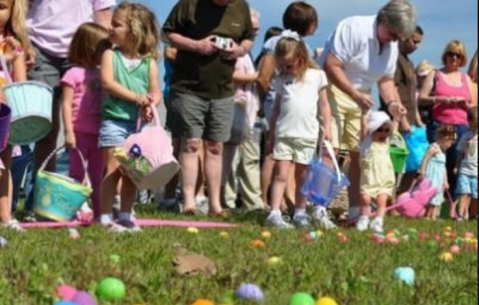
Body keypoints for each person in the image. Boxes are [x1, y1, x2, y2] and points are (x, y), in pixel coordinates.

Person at [319, 0, 416, 221]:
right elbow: (331, 65)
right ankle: (318, 208)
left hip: (361, 97)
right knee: (331, 150)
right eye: (393, 33)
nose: (395, 40)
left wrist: (392, 103)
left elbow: (386, 79)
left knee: (357, 153)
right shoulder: (354, 28)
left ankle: (355, 212)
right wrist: (354, 94)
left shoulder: (390, 45)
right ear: (383, 20)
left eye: (399, 37)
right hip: (333, 88)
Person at [25, 0, 115, 219]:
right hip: (39, 46)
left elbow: (103, 15)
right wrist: (23, 43)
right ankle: (39, 204)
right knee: (46, 128)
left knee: (87, 127)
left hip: (84, 50)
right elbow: (23, 7)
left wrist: (109, 54)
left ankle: (95, 205)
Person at [163, 0, 255, 217]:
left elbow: (248, 38)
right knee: (191, 143)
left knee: (215, 146)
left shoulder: (240, 6)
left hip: (223, 90)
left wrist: (239, 50)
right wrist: (197, 45)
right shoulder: (189, 4)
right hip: (188, 87)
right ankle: (188, 203)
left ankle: (215, 205)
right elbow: (168, 34)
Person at [99, 3, 161, 232]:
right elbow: (107, 83)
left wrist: (151, 103)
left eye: (117, 24)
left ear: (134, 30)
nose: (110, 27)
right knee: (114, 168)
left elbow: (156, 91)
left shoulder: (149, 62)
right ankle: (105, 216)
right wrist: (137, 98)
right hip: (114, 121)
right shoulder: (109, 55)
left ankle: (125, 215)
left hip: (137, 127)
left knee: (132, 172)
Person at [256, 1, 319, 213]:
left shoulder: (303, 46)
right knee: (273, 155)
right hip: (279, 101)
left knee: (292, 161)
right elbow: (264, 75)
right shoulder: (277, 42)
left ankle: (287, 201)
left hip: (295, 108)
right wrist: (263, 103)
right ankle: (264, 200)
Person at [265, 37, 332, 229]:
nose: (285, 70)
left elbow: (324, 105)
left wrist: (327, 127)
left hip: (308, 135)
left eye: (289, 65)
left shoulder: (316, 76)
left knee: (303, 176)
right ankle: (275, 212)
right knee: (281, 174)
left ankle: (300, 212)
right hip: (285, 134)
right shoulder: (281, 80)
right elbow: (276, 109)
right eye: (282, 66)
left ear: (301, 58)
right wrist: (271, 134)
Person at [61, 23, 111, 219]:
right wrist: (69, 132)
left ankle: (100, 212)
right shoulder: (73, 74)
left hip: (99, 133)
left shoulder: (104, 74)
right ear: (90, 48)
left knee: (98, 175)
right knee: (77, 173)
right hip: (80, 132)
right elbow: (66, 104)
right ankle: (75, 210)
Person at [419, 40, 477, 204]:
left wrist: (464, 105)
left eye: (458, 55)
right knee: (437, 164)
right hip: (441, 124)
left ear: (462, 58)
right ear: (445, 55)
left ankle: (453, 206)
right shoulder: (435, 74)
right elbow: (422, 98)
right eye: (451, 53)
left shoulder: (465, 78)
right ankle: (431, 203)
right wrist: (442, 99)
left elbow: (472, 104)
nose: (454, 57)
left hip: (462, 125)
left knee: (457, 166)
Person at [222, 9, 264, 211]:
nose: (255, 33)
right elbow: (231, 75)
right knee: (230, 156)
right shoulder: (232, 47)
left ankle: (250, 202)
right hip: (233, 106)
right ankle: (227, 199)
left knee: (247, 158)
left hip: (247, 110)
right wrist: (260, 76)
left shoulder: (247, 52)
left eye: (256, 29)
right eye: (252, 29)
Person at [0, 0, 29, 231]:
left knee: (5, 166)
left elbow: (21, 84)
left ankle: (5, 215)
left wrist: (15, 56)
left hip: (4, 117)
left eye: (1, 7)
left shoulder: (13, 45)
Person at [356, 111, 395, 233]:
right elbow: (363, 127)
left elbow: (395, 129)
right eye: (379, 130)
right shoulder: (366, 142)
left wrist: (397, 119)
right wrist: (364, 113)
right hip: (369, 179)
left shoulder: (387, 142)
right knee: (365, 199)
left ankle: (378, 220)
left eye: (386, 130)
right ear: (372, 130)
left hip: (384, 178)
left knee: (382, 200)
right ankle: (364, 217)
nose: (383, 133)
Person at [420, 125, 456, 220]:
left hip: (439, 178)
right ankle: (427, 215)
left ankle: (433, 216)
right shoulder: (433, 148)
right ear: (443, 138)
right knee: (431, 195)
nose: (450, 145)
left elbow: (443, 167)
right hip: (432, 177)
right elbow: (425, 160)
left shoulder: (442, 152)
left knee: (438, 196)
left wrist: (445, 181)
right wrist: (423, 172)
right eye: (450, 142)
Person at [456, 107, 478, 221]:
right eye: (473, 125)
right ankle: (460, 216)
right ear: (468, 122)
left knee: (475, 196)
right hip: (465, 169)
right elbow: (460, 152)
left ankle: (473, 215)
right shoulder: (465, 136)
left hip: (476, 172)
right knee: (464, 193)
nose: (475, 128)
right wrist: (457, 166)